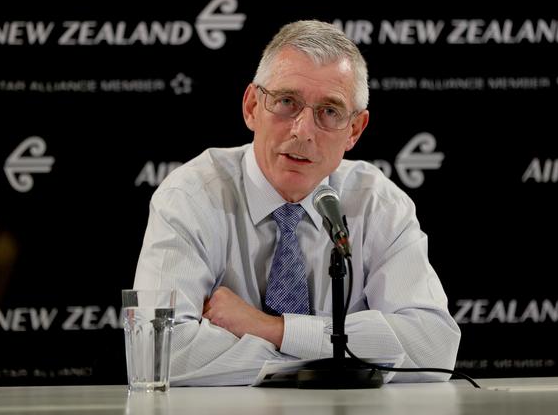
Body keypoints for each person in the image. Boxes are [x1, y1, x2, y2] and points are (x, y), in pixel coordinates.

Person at [134, 20, 460, 385]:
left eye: (330, 112)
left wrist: (273, 329)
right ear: (252, 106)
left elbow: (435, 346)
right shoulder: (190, 197)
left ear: (355, 130)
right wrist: (330, 358)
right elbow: (158, 352)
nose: (303, 131)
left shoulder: (378, 203)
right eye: (287, 102)